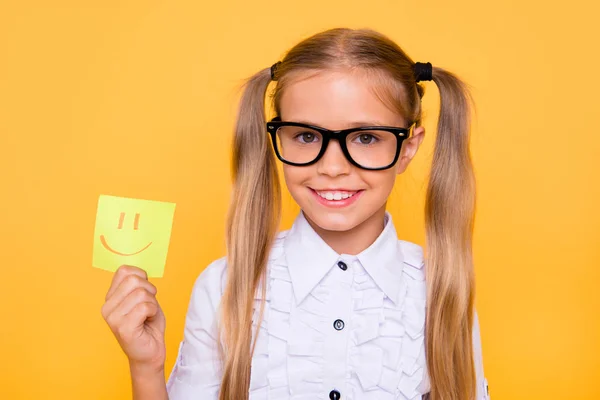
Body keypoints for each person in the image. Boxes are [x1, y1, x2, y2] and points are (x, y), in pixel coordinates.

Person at [101, 27, 490, 400]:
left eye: (366, 137)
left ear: (407, 147)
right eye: (306, 136)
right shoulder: (224, 287)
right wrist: (146, 367)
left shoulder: (441, 291)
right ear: (277, 138)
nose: (333, 167)